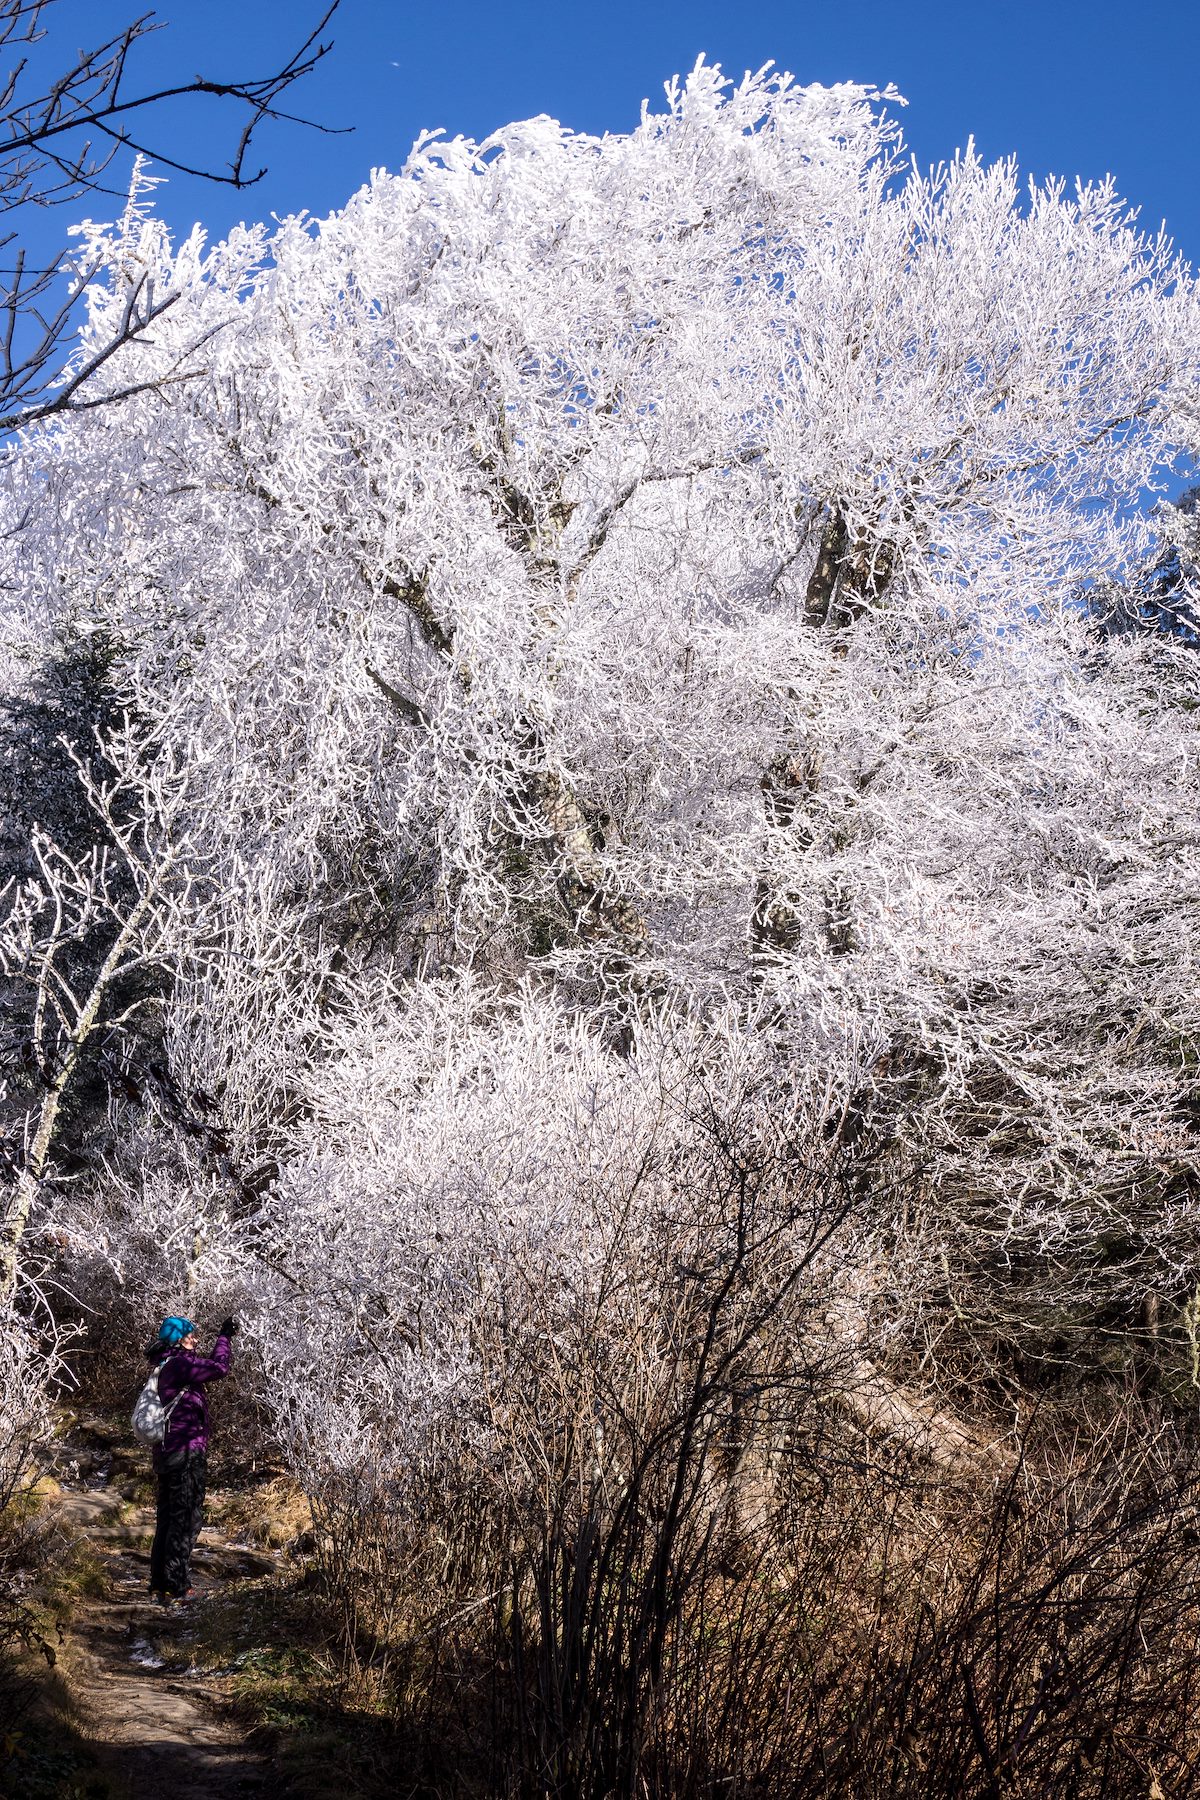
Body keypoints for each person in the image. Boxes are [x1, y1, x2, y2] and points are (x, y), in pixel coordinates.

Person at [145, 1313, 238, 1604]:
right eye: (191, 1336)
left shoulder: (164, 1364)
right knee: (186, 1519)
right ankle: (177, 1585)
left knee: (168, 1518)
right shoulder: (181, 1364)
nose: (196, 1340)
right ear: (178, 1339)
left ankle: (161, 1582)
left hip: (166, 1451)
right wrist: (225, 1337)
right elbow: (220, 1368)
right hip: (184, 1452)